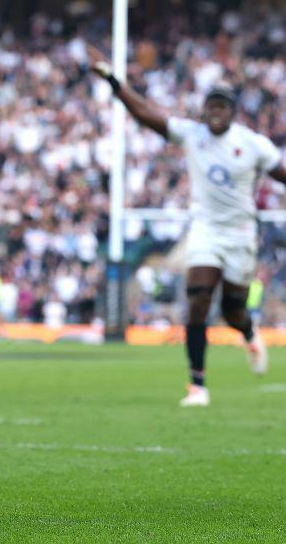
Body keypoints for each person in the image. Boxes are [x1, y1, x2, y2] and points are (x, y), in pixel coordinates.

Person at [88, 45, 286, 407]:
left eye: (221, 107)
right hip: (206, 229)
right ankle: (198, 385)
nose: (214, 113)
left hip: (241, 232)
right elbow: (147, 114)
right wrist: (114, 82)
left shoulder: (253, 145)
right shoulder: (193, 135)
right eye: (210, 106)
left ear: (233, 112)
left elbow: (281, 173)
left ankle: (248, 331)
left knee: (232, 311)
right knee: (197, 299)